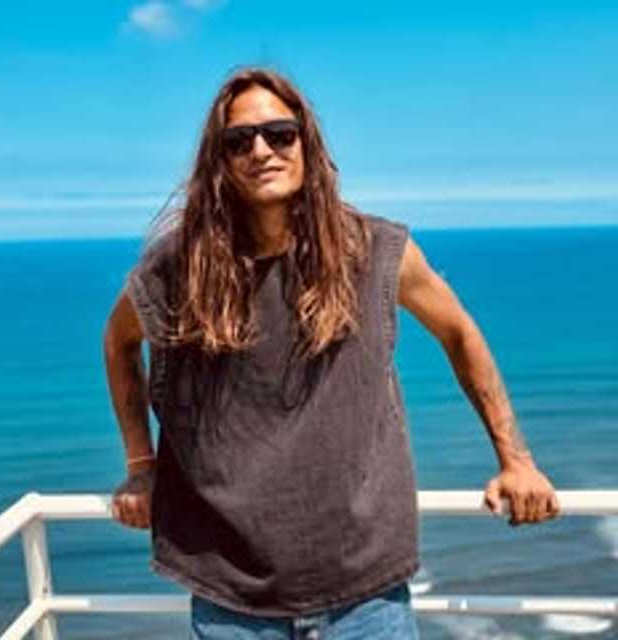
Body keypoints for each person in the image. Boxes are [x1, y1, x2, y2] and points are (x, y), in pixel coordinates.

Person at [103, 66, 560, 639]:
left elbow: (459, 332)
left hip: (366, 598)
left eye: (279, 134)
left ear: (307, 143)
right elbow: (119, 342)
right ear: (219, 160)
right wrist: (140, 467)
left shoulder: (374, 250)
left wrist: (516, 460)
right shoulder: (179, 267)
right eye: (239, 141)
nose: (261, 151)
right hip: (232, 600)